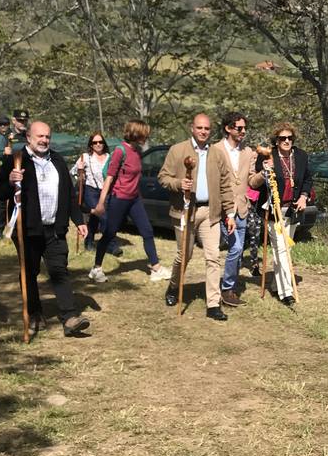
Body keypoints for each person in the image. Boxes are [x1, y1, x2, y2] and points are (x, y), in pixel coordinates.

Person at [0, 121, 90, 337]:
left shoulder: (57, 160)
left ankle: (70, 317)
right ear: (28, 137)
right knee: (30, 272)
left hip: (55, 229)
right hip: (27, 230)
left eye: (47, 136)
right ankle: (34, 313)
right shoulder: (16, 160)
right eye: (40, 136)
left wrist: (79, 220)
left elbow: (69, 194)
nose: (44, 140)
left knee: (60, 271)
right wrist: (9, 181)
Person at [158, 113, 225, 319]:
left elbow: (225, 185)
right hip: (185, 210)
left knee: (213, 256)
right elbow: (163, 177)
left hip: (210, 212)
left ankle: (213, 304)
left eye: (207, 128)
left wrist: (229, 212)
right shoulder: (177, 150)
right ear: (192, 128)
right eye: (200, 128)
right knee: (184, 255)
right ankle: (173, 287)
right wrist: (179, 184)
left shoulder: (216, 153)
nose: (203, 131)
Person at [88, 120, 169, 283]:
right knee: (110, 233)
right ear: (136, 133)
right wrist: (101, 203)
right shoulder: (120, 151)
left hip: (134, 199)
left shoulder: (137, 151)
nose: (147, 136)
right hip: (119, 199)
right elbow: (109, 178)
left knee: (147, 231)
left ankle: (156, 268)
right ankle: (96, 268)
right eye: (145, 133)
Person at [248, 122, 311, 305]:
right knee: (282, 249)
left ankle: (276, 285)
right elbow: (254, 183)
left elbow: (308, 179)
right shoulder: (268, 156)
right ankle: (286, 292)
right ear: (276, 140)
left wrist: (303, 197)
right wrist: (265, 170)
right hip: (273, 209)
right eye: (282, 138)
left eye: (289, 138)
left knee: (284, 249)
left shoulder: (301, 156)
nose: (286, 141)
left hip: (292, 210)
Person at [209, 112, 255, 308]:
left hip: (242, 207)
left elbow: (251, 180)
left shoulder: (248, 152)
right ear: (228, 128)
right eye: (239, 128)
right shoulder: (215, 150)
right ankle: (227, 288)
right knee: (235, 248)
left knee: (237, 250)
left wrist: (263, 174)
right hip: (222, 207)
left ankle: (230, 288)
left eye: (245, 128)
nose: (243, 131)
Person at [71, 132, 122, 256]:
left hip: (106, 191)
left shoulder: (109, 157)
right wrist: (79, 168)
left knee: (94, 219)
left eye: (100, 142)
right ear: (91, 145)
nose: (98, 144)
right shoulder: (85, 157)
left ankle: (89, 241)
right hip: (91, 191)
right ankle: (111, 245)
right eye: (95, 142)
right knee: (103, 216)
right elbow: (72, 172)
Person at [0, 111, 28, 238]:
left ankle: (20, 227)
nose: (22, 123)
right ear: (14, 121)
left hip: (25, 171)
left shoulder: (29, 135)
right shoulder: (7, 136)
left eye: (24, 120)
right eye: (19, 120)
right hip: (8, 171)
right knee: (3, 202)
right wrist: (4, 153)